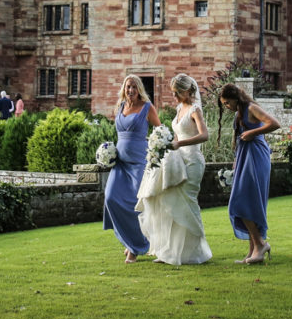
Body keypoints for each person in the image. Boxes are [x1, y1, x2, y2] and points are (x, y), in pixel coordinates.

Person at [136, 73, 212, 265]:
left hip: (193, 161)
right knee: (170, 203)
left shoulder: (195, 110)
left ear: (187, 90)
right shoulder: (180, 108)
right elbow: (177, 135)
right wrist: (163, 144)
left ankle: (195, 254)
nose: (175, 97)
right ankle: (170, 253)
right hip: (178, 161)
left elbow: (204, 135)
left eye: (177, 93)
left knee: (187, 204)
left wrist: (180, 143)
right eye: (173, 93)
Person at [218, 83, 279, 264]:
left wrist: (253, 132)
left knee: (242, 201)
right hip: (245, 158)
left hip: (257, 157)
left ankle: (260, 245)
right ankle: (253, 251)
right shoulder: (239, 113)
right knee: (247, 202)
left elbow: (274, 124)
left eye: (227, 103)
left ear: (236, 98)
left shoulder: (252, 108)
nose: (227, 107)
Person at [104, 75, 162, 264]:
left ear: (139, 90)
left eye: (134, 88)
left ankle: (134, 247)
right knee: (111, 197)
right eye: (128, 87)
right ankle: (129, 239)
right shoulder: (120, 107)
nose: (131, 91)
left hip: (139, 163)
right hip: (120, 163)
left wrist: (154, 150)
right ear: (124, 88)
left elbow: (160, 132)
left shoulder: (147, 107)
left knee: (135, 205)